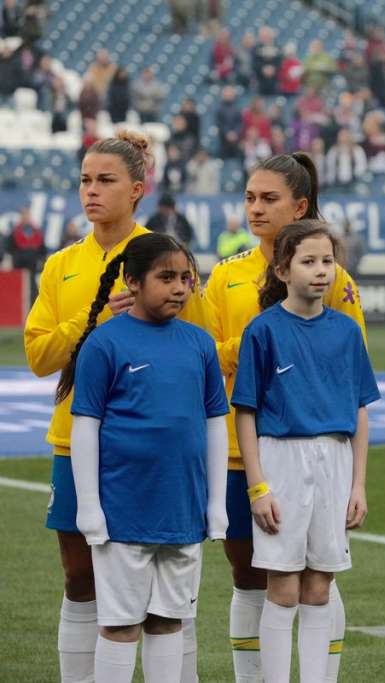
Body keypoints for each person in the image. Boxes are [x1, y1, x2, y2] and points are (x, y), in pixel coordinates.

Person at [23, 131, 208, 683]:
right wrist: (94, 321)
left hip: (157, 448)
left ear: (137, 189)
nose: (91, 191)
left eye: (105, 181)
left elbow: (197, 350)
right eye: (85, 180)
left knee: (166, 581)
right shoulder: (63, 265)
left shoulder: (167, 259)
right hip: (74, 440)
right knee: (79, 575)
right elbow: (38, 355)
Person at [203, 152, 365, 683]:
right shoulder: (226, 277)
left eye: (268, 198)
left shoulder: (336, 288)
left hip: (320, 455)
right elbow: (205, 356)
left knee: (319, 577)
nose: (255, 208)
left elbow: (349, 376)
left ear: (299, 204)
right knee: (251, 576)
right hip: (247, 453)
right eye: (249, 197)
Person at [61, 233, 228, 682]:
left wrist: (215, 504)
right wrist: (90, 506)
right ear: (132, 282)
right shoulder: (105, 343)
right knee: (119, 624)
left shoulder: (200, 343)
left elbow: (215, 423)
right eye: (166, 277)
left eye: (185, 278)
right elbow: (85, 426)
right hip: (123, 511)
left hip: (181, 509)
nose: (179, 287)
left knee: (169, 620)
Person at [233, 220, 379, 683]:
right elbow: (246, 414)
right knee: (283, 585)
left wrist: (357, 484)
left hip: (335, 463)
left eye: (328, 262)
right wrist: (258, 487)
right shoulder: (263, 331)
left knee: (320, 584)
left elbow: (359, 411)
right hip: (282, 462)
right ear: (282, 270)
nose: (321, 272)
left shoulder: (347, 332)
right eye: (309, 262)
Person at [9, 206, 46, 301]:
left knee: (32, 284)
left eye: (27, 215)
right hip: (19, 263)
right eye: (24, 215)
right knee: (17, 284)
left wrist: (40, 260)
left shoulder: (36, 230)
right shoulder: (15, 231)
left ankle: (32, 304)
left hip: (32, 263)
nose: (26, 217)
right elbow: (10, 246)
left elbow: (42, 248)